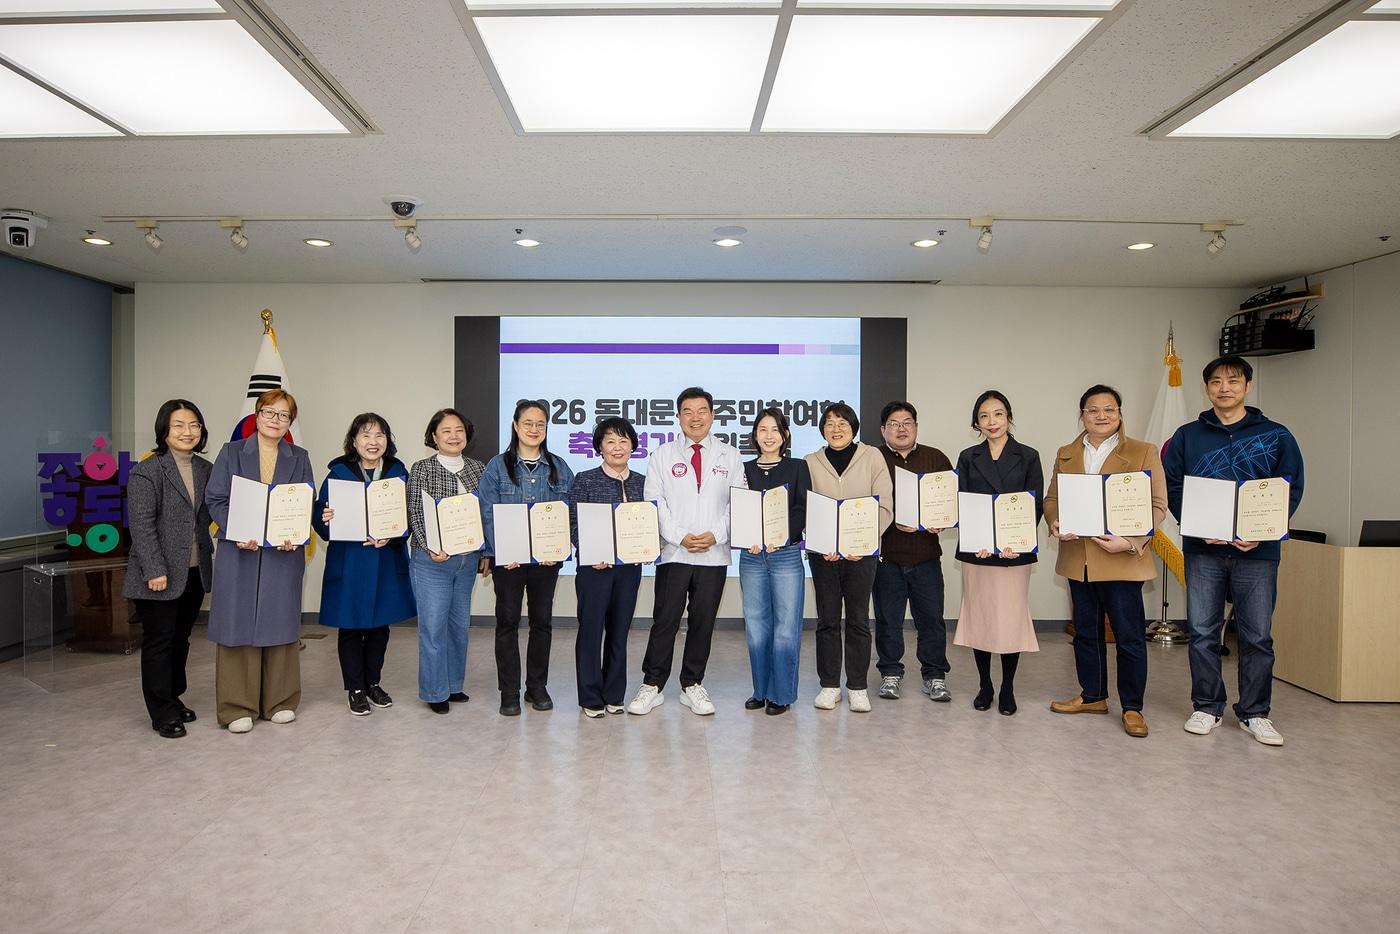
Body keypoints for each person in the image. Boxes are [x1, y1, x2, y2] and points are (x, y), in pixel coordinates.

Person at [1164, 355, 1304, 746]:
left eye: (1233, 381)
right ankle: (1207, 706)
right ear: (1206, 388)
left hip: (1257, 552)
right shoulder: (1187, 436)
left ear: (1247, 386)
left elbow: (1289, 488)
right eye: (1216, 382)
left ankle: (1256, 713)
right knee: (1203, 631)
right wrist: (1195, 524)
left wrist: (1264, 531)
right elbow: (1173, 486)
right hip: (1203, 550)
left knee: (1257, 635)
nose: (1224, 388)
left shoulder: (1276, 434)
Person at [1043, 385, 1167, 738]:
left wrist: (1131, 541)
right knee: (1085, 633)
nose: (1101, 416)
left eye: (1109, 409)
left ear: (1119, 413)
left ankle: (1132, 708)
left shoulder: (1143, 452)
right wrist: (1054, 521)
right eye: (1093, 410)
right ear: (1081, 415)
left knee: (1128, 637)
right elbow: (1052, 497)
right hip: (1079, 559)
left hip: (1122, 560)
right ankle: (1093, 695)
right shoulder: (1067, 453)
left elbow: (1158, 504)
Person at [628, 387, 744, 717]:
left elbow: (739, 501)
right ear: (678, 416)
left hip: (713, 554)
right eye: (688, 412)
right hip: (674, 554)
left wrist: (716, 534)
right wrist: (680, 537)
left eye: (702, 411)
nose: (695, 417)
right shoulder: (662, 455)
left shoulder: (730, 455)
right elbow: (655, 501)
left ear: (712, 415)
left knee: (702, 622)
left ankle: (692, 683)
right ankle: (652, 684)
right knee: (664, 620)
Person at [204, 389, 314, 733]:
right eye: (270, 413)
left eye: (284, 415)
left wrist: (293, 533)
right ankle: (237, 706)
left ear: (290, 422)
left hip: (282, 553)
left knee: (280, 623)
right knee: (238, 625)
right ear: (256, 414)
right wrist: (237, 530)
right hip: (240, 551)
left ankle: (280, 701)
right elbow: (215, 498)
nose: (276, 420)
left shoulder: (299, 456)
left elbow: (304, 501)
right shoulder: (232, 452)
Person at [312, 413, 416, 717]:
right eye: (366, 435)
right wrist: (325, 518)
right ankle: (355, 689)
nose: (373, 442)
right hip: (351, 561)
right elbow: (320, 517)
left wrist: (394, 535)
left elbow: (409, 517)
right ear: (354, 441)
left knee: (380, 628)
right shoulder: (338, 472)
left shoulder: (398, 471)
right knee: (351, 627)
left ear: (388, 440)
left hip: (385, 560)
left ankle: (373, 683)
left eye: (380, 435)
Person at [478, 400, 575, 717]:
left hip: (545, 564)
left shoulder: (559, 467)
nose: (534, 429)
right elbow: (486, 512)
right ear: (516, 426)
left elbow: (568, 514)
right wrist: (501, 550)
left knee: (541, 623)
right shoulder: (497, 467)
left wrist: (557, 548)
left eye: (541, 424)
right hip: (508, 563)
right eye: (528, 423)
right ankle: (509, 691)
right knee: (506, 623)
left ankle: (537, 687)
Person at [125, 399, 214, 739]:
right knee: (159, 641)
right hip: (159, 573)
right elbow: (142, 526)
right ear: (164, 430)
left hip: (195, 570)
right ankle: (161, 711)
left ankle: (174, 698)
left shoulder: (206, 469)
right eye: (178, 425)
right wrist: (154, 570)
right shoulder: (147, 471)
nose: (187, 432)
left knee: (181, 639)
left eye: (194, 425)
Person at [953, 390, 1043, 716]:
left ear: (1009, 417)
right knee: (981, 619)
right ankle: (984, 685)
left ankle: (1007, 687)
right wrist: (973, 535)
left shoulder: (1029, 456)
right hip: (978, 552)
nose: (992, 422)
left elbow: (1035, 504)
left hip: (1012, 553)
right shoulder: (967, 456)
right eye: (985, 416)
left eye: (998, 414)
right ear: (976, 422)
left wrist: (1015, 540)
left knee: (1009, 621)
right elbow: (961, 502)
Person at [805, 401, 893, 713]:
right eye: (829, 423)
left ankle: (857, 686)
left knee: (858, 620)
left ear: (853, 427)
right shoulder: (811, 462)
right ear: (822, 429)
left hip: (862, 555)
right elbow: (805, 509)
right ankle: (829, 686)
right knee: (827, 620)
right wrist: (818, 540)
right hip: (823, 555)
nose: (836, 429)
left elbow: (885, 506)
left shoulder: (872, 457)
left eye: (842, 422)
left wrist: (865, 541)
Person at [873, 400, 955, 704]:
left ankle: (935, 676)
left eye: (907, 422)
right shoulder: (874, 458)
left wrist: (941, 522)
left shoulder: (936, 458)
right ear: (883, 430)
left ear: (916, 426)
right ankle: (890, 673)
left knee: (931, 619)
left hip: (926, 557)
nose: (901, 428)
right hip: (887, 557)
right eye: (894, 423)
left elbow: (950, 504)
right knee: (887, 619)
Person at [407, 408, 487, 714]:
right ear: (434, 437)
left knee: (458, 626)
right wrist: (430, 547)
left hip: (467, 560)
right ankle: (434, 691)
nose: (454, 436)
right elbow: (415, 511)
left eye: (459, 430)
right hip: (433, 562)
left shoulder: (478, 469)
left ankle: (454, 685)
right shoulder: (422, 468)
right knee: (433, 626)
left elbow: (485, 514)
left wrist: (486, 552)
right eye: (446, 431)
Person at [569, 417, 647, 718]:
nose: (618, 447)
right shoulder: (585, 479)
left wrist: (649, 546)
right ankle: (590, 696)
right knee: (591, 631)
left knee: (619, 631)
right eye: (610, 441)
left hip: (628, 570)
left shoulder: (642, 481)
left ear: (633, 447)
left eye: (624, 441)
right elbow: (573, 521)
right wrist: (591, 551)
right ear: (599, 447)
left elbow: (650, 523)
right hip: (595, 568)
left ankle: (614, 694)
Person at [739, 408, 811, 716]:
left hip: (786, 555)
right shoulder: (743, 469)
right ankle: (760, 690)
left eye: (775, 430)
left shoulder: (797, 467)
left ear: (785, 436)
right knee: (756, 628)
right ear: (755, 435)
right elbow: (739, 509)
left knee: (785, 628)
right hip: (752, 556)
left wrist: (780, 536)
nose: (769, 436)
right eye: (762, 430)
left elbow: (801, 508)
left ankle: (781, 694)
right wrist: (748, 534)